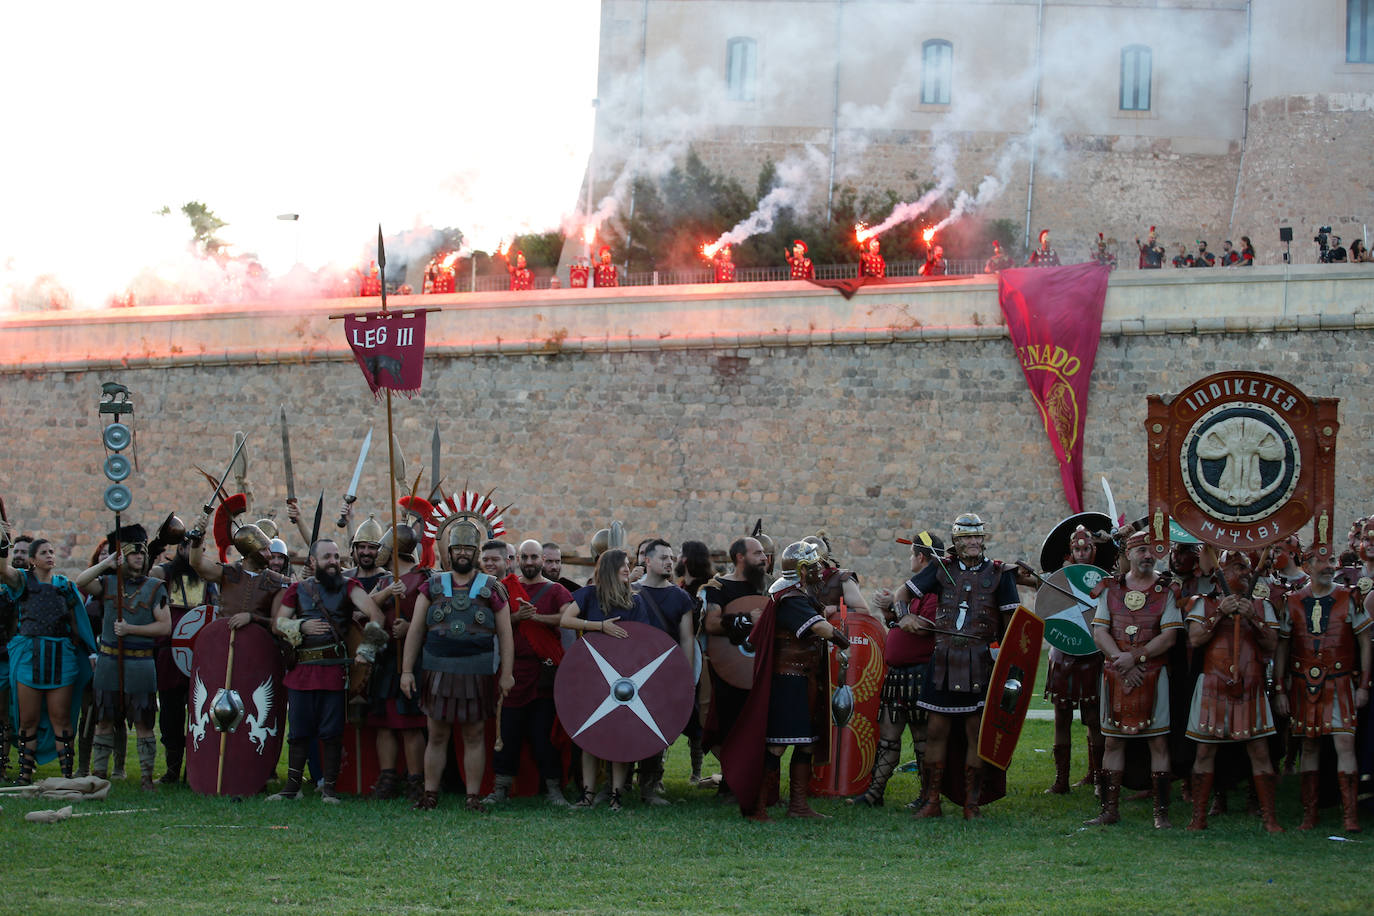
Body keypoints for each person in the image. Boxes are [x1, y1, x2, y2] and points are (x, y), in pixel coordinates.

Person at [721, 540, 851, 821]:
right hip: (788, 680)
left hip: (804, 679)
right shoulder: (791, 599)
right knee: (777, 745)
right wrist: (842, 639)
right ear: (803, 570)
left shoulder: (797, 595)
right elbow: (818, 627)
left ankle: (799, 806)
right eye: (815, 565)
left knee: (805, 743)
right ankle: (758, 806)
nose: (820, 569)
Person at [906, 514, 1019, 819]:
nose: (973, 542)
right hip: (943, 660)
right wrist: (905, 615)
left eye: (977, 536)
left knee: (975, 734)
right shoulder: (941, 569)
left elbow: (1013, 626)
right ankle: (932, 801)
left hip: (980, 662)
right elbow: (903, 595)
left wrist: (1005, 661)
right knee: (936, 731)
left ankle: (972, 803)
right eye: (966, 537)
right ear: (956, 541)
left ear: (984, 539)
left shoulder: (1000, 574)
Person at [401, 520, 514, 811]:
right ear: (448, 552)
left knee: (474, 735)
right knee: (436, 734)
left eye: (467, 548)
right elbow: (415, 630)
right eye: (457, 548)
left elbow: (505, 634)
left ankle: (472, 797)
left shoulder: (492, 588)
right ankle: (429, 795)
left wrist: (507, 675)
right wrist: (405, 671)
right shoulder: (432, 586)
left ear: (475, 551)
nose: (462, 553)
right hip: (436, 670)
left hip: (477, 671)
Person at [269, 538, 389, 803]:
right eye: (327, 557)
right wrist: (300, 626)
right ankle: (291, 788)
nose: (333, 561)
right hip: (302, 669)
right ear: (313, 562)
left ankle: (329, 790)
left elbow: (376, 616)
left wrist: (366, 650)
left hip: (335, 669)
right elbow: (278, 624)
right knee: (298, 732)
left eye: (336, 556)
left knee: (332, 732)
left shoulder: (350, 587)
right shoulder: (298, 590)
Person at [1085, 530, 1184, 829]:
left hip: (1153, 675)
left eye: (1152, 550)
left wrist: (1136, 657)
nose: (1147, 555)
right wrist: (1121, 659)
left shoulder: (1167, 591)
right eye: (1140, 550)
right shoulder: (1110, 589)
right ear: (1128, 554)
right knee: (1113, 742)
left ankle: (1161, 813)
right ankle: (1109, 810)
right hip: (1116, 674)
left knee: (1158, 743)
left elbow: (1169, 637)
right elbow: (1100, 631)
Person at [1182, 551, 1283, 832]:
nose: (1246, 573)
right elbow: (1196, 638)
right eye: (1239, 568)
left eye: (1248, 568)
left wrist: (1254, 618)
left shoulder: (1262, 605)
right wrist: (1219, 613)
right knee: (1204, 752)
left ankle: (1270, 818)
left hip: (1251, 684)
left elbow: (1272, 644)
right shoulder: (1202, 603)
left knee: (1260, 752)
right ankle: (1198, 817)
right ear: (1221, 574)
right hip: (1213, 684)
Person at [1274, 548, 1372, 832]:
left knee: (1344, 742)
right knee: (1309, 744)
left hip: (1340, 680)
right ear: (1307, 565)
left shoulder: (1350, 597)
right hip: (1305, 683)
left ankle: (1350, 815)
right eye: (1321, 561)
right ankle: (1310, 812)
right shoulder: (1292, 601)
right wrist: (1280, 688)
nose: (1329, 566)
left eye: (1331, 561)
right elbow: (1282, 646)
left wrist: (1364, 685)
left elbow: (1365, 641)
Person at [74, 525, 171, 790]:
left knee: (143, 722)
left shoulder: (155, 588)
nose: (139, 557)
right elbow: (80, 582)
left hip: (140, 663)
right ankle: (99, 775)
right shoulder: (108, 584)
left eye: (142, 552)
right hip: (108, 661)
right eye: (133, 552)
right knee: (103, 719)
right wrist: (107, 561)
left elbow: (164, 627)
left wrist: (131, 629)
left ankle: (146, 777)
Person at [0, 532, 96, 784]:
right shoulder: (21, 581)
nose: (50, 556)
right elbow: (2, 570)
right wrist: (3, 544)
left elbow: (78, 625)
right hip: (29, 656)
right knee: (27, 718)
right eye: (44, 553)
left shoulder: (65, 586)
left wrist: (90, 652)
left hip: (60, 657)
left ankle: (66, 775)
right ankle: (24, 775)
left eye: (52, 552)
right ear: (32, 560)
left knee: (61, 719)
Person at [559, 548, 650, 810]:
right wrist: (599, 626)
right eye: (623, 565)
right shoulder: (589, 594)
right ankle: (587, 795)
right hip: (592, 673)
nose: (627, 569)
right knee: (590, 734)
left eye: (628, 565)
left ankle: (616, 796)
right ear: (610, 568)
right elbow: (566, 619)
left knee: (619, 735)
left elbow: (642, 637)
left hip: (624, 676)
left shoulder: (636, 600)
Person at [483, 538, 571, 807]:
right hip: (513, 670)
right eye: (526, 557)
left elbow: (567, 617)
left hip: (544, 673)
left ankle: (554, 790)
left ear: (542, 560)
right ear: (518, 559)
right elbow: (493, 622)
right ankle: (500, 789)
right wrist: (517, 618)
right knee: (507, 732)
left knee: (544, 735)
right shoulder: (506, 588)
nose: (531, 562)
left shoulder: (555, 590)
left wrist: (537, 619)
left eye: (535, 557)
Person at [859, 530, 943, 808]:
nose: (911, 559)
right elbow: (902, 624)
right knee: (888, 739)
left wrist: (899, 611)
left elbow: (922, 627)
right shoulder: (914, 591)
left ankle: (926, 796)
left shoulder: (935, 589)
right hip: (897, 676)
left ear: (921, 556)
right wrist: (891, 612)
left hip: (921, 674)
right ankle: (874, 794)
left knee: (922, 740)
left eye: (912, 554)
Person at [366, 524, 431, 802]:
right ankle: (387, 778)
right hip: (385, 657)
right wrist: (385, 593)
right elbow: (366, 607)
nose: (380, 552)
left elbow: (436, 616)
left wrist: (413, 629)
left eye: (384, 547)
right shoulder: (383, 581)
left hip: (413, 659)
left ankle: (416, 781)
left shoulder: (425, 579)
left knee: (410, 723)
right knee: (383, 722)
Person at [701, 536, 769, 801]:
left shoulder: (766, 588)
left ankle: (758, 785)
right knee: (730, 726)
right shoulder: (719, 587)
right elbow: (711, 624)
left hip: (759, 667)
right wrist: (743, 619)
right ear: (740, 557)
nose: (764, 558)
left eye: (765, 553)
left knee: (759, 726)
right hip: (730, 667)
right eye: (758, 553)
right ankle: (730, 784)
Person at [631, 539, 697, 805]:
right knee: (624, 724)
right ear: (647, 561)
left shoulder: (680, 597)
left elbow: (687, 639)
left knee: (654, 728)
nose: (670, 562)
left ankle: (648, 785)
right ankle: (619, 785)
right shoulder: (630, 591)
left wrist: (686, 677)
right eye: (663, 558)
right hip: (628, 668)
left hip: (663, 674)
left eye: (672, 557)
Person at [1042, 526, 1106, 795]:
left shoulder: (1106, 580)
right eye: (1077, 548)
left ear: (1094, 550)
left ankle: (1097, 776)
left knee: (1094, 719)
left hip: (1092, 655)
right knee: (1061, 718)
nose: (1082, 553)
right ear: (1071, 551)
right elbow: (1044, 600)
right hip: (1063, 653)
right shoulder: (1058, 579)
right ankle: (1061, 780)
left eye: (1087, 548)